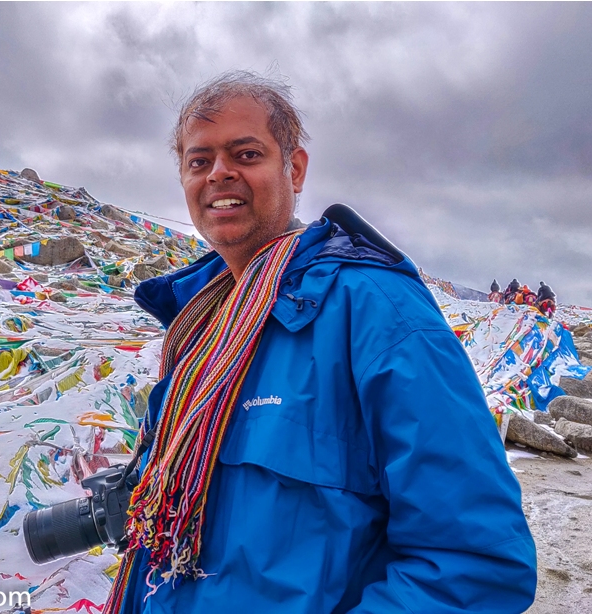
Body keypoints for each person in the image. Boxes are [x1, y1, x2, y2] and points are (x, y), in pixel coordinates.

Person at [106, 71, 536, 614]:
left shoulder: (377, 310)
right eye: (199, 161)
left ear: (296, 168)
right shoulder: (198, 330)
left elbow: (476, 565)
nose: (219, 174)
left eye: (246, 153)